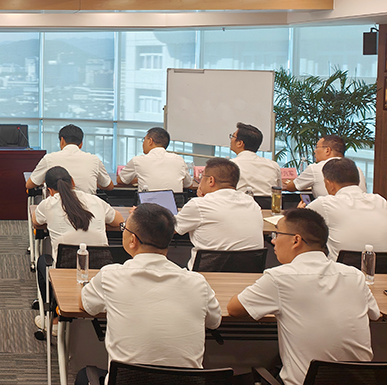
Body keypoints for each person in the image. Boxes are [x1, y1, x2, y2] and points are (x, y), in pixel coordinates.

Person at [228, 208, 380, 385]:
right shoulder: (355, 276)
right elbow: (375, 315)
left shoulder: (279, 277)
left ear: (296, 240)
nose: (273, 241)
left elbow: (234, 309)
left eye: (277, 234)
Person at [76, 203, 222, 385]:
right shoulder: (198, 283)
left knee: (84, 376)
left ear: (133, 240)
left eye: (125, 228)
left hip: (128, 381)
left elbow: (85, 304)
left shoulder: (110, 276)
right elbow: (214, 322)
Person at [32, 166, 123, 328]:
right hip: (100, 272)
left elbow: (36, 221)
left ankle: (54, 319)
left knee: (42, 261)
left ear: (50, 190)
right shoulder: (95, 200)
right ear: (73, 182)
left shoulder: (48, 204)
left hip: (65, 274)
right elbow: (119, 221)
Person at [175, 157, 264, 269]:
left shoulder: (198, 205)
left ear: (211, 180)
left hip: (204, 275)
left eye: (202, 177)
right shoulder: (252, 203)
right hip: (248, 274)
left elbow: (169, 228)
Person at [304, 157, 387, 261]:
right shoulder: (380, 201)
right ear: (358, 181)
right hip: (382, 268)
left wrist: (301, 210)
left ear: (329, 184)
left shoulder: (325, 203)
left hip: (342, 269)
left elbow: (296, 225)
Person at [26, 124, 113, 195]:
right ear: (81, 144)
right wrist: (94, 182)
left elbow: (29, 184)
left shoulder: (49, 158)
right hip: (87, 208)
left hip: (57, 208)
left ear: (62, 140)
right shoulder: (94, 160)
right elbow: (109, 186)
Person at [284, 134, 367, 196]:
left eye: (317, 147)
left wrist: (287, 182)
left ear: (327, 150)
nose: (314, 151)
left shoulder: (315, 168)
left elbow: (291, 187)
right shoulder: (357, 169)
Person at [118, 127, 191, 192]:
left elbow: (121, 180)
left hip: (148, 203)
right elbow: (188, 184)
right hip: (173, 203)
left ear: (150, 141)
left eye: (144, 139)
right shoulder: (179, 160)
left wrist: (137, 180)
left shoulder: (137, 161)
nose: (143, 143)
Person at [229, 122, 281, 196]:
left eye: (233, 136)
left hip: (241, 203)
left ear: (240, 143)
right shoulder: (273, 165)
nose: (231, 139)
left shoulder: (231, 166)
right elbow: (278, 191)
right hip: (268, 203)